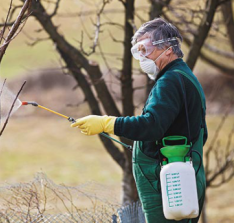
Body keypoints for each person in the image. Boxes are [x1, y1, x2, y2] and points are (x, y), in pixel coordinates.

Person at [71, 18, 207, 223]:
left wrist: (108, 123)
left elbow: (151, 125)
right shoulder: (184, 77)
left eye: (146, 49)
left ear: (168, 49)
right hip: (180, 180)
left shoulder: (170, 81)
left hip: (170, 186)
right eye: (138, 51)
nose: (142, 57)